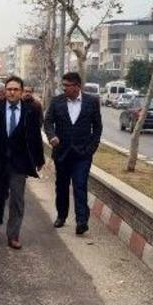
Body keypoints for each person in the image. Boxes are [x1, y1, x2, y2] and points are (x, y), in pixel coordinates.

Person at [0, 76, 45, 249]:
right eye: (9, 89)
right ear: (5, 91)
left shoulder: (31, 111)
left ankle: (13, 235)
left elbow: (35, 136)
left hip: (19, 163)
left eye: (15, 89)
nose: (12, 92)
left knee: (17, 199)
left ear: (21, 92)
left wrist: (39, 159)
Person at [44, 72, 102, 235]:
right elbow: (48, 122)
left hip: (83, 154)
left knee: (80, 185)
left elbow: (97, 127)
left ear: (77, 86)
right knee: (61, 186)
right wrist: (52, 136)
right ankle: (61, 216)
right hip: (62, 153)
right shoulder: (57, 102)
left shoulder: (91, 102)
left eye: (67, 85)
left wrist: (93, 146)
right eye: (63, 85)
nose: (64, 88)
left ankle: (82, 221)